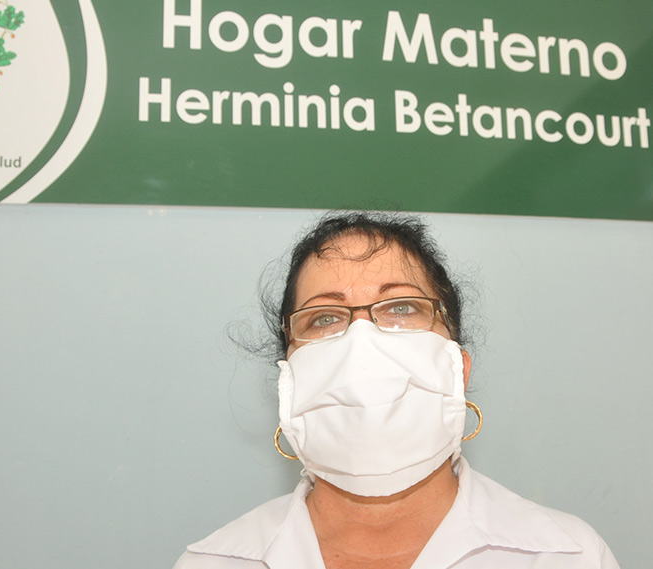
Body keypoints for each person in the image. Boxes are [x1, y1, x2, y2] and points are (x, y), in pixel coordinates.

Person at [173, 212, 620, 569]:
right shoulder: (214, 562)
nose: (361, 342)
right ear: (287, 382)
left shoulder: (568, 557)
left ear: (458, 369)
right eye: (325, 317)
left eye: (401, 307)